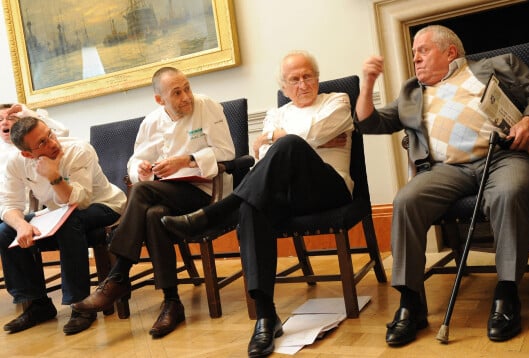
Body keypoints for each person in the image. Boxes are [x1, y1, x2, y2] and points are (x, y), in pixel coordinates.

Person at [355, 25, 529, 346]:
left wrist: (528, 121)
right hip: (446, 169)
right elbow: (369, 122)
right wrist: (368, 83)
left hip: (502, 157)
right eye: (413, 54)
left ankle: (506, 294)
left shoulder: (500, 65)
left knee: (507, 193)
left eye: (422, 50)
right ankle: (411, 304)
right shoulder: (413, 91)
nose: (415, 59)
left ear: (450, 51)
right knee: (406, 201)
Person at [160, 50, 355, 357]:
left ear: (317, 78)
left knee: (289, 145)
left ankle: (215, 214)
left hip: (328, 189)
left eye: (308, 76)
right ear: (284, 87)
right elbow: (263, 156)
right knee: (252, 204)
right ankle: (266, 315)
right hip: (287, 197)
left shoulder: (337, 101)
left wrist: (282, 139)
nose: (303, 84)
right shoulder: (276, 114)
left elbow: (305, 135)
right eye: (294, 79)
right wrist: (297, 140)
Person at [70, 66, 236, 339]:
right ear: (160, 100)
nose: (186, 97)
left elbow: (227, 152)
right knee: (153, 214)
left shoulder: (207, 106)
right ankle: (172, 301)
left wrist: (187, 160)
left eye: (187, 88)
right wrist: (142, 170)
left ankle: (118, 275)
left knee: (144, 194)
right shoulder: (151, 122)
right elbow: (135, 161)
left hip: (205, 191)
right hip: (168, 193)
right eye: (176, 92)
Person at [0, 116, 126, 335]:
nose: (52, 143)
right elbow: (9, 204)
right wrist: (21, 225)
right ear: (27, 154)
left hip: (104, 205)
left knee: (69, 221)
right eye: (41, 143)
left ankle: (80, 306)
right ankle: (37, 303)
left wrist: (53, 176)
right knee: (5, 230)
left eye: (49, 134)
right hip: (57, 213)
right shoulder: (15, 163)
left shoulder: (78, 150)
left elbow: (81, 201)